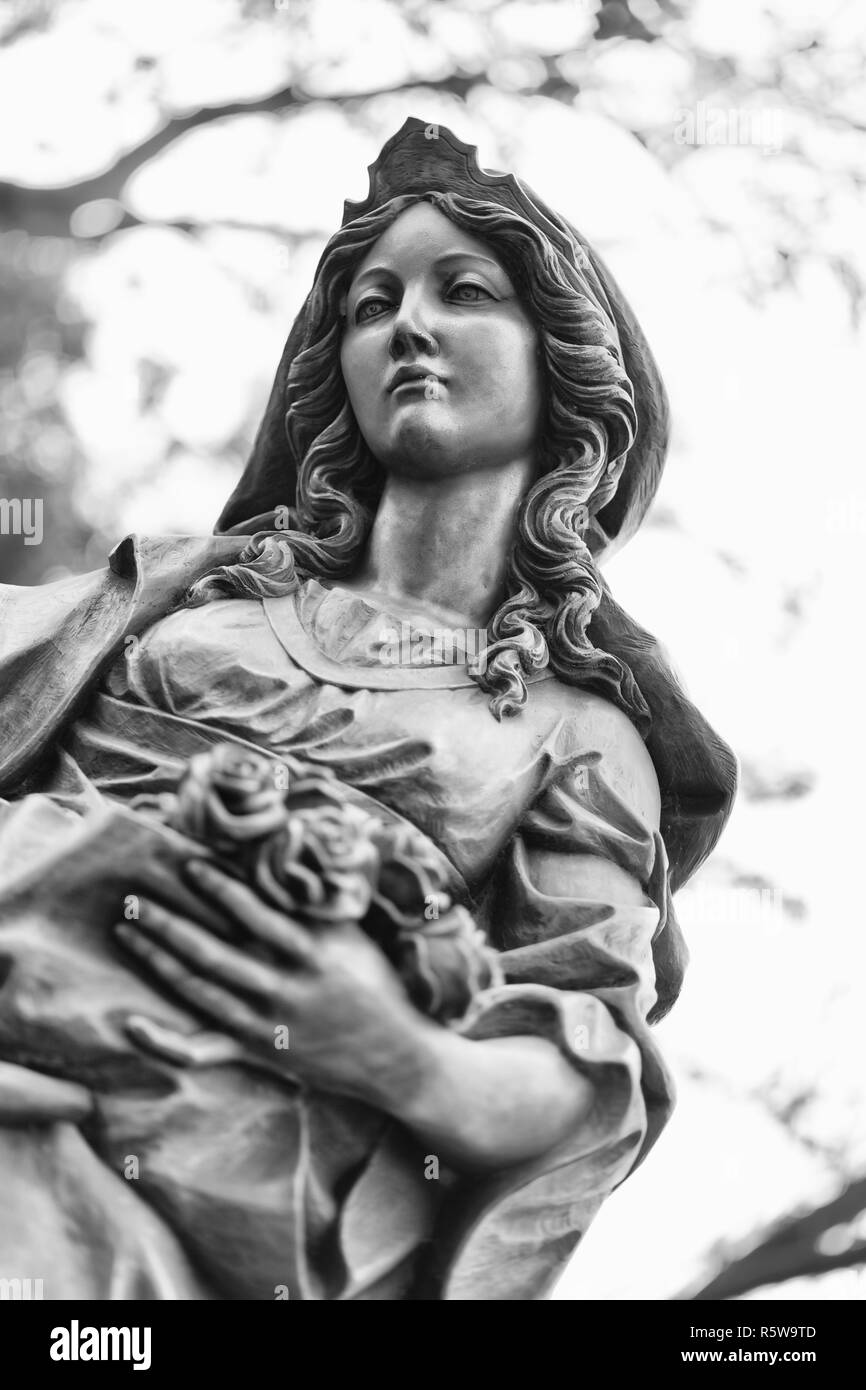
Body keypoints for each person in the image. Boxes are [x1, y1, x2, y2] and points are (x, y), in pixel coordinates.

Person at [0, 119, 737, 1300]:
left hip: (209, 1149)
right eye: (371, 303)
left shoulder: (572, 728)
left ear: (563, 366)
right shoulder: (184, 603)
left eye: (465, 292)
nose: (408, 324)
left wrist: (396, 1055)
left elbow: (584, 1057)